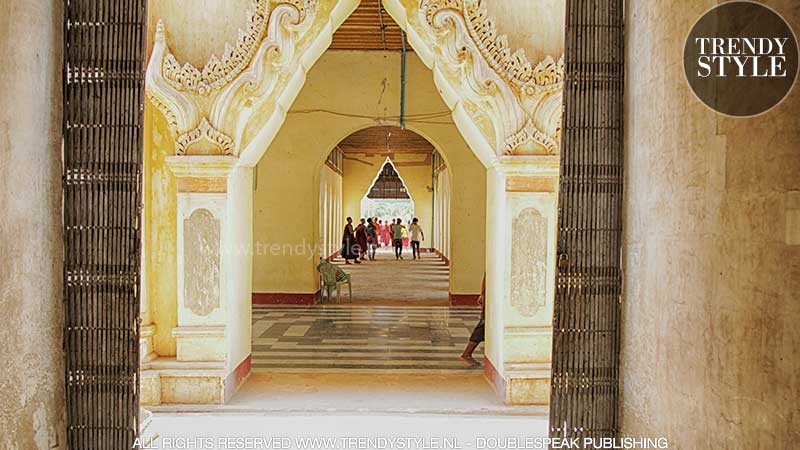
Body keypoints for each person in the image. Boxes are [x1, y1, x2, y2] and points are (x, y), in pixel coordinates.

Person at [461, 274, 486, 366]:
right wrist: (483, 294)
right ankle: (467, 354)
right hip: (491, 298)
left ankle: (467, 354)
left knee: (483, 326)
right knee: (482, 326)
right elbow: (486, 277)